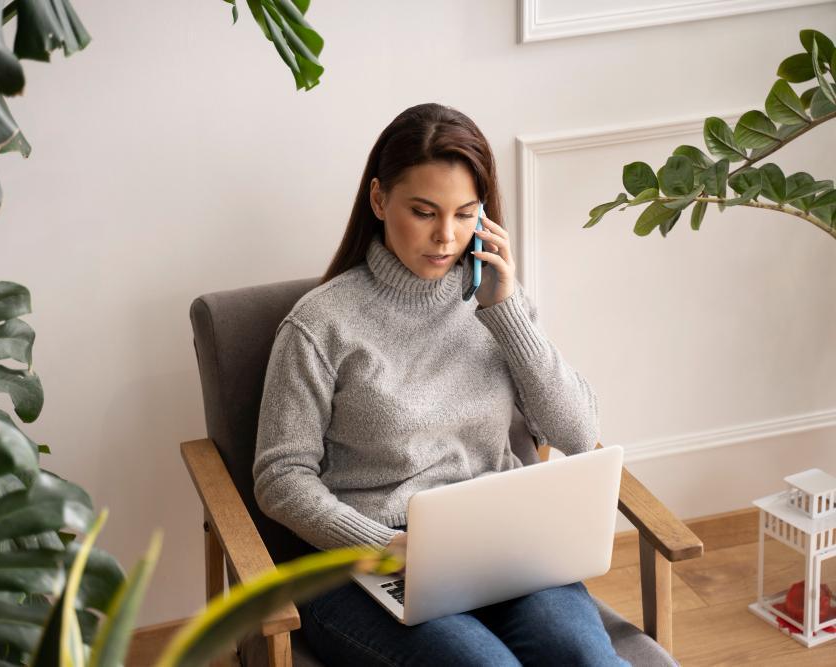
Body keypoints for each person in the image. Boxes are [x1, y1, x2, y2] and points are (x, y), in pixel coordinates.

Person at [252, 102, 628, 666]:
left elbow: (577, 433)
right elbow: (280, 478)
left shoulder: (499, 304)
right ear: (379, 200)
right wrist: (386, 547)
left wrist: (505, 311)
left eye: (465, 213)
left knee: (589, 660)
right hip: (363, 563)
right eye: (424, 212)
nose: (446, 236)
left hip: (503, 545)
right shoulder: (320, 324)